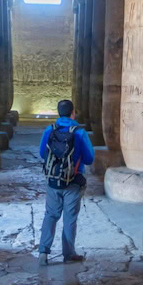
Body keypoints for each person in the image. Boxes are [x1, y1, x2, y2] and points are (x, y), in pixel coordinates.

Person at [36, 99, 95, 264]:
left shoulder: (50, 130)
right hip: (73, 181)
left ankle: (43, 252)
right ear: (73, 113)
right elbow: (90, 158)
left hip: (53, 181)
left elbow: (42, 153)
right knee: (70, 218)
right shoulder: (79, 132)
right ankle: (68, 254)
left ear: (58, 112)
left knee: (51, 215)